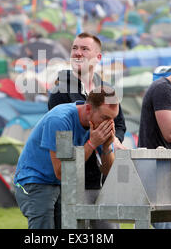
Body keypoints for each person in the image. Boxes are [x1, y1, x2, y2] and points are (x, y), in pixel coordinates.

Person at [48, 32, 126, 228]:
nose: (78, 53)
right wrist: (93, 141)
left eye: (84, 49)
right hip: (74, 180)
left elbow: (120, 124)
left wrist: (114, 139)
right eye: (74, 48)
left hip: (103, 177)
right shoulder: (61, 91)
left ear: (98, 57)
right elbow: (62, 135)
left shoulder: (106, 88)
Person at [14, 86, 119, 229]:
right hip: (35, 181)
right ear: (88, 109)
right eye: (105, 118)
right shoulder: (60, 120)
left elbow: (109, 173)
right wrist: (92, 144)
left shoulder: (96, 125)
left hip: (60, 185)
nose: (108, 124)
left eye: (113, 119)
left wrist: (106, 147)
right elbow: (62, 172)